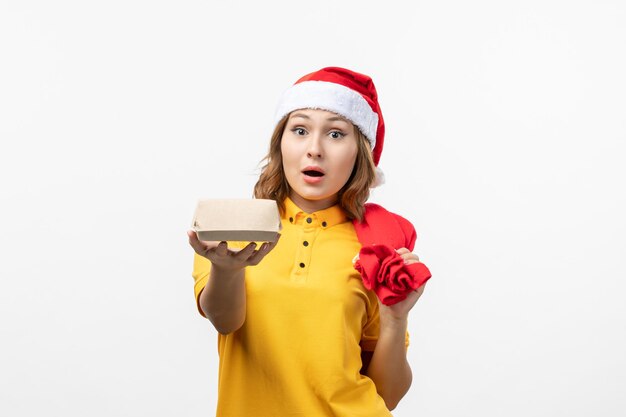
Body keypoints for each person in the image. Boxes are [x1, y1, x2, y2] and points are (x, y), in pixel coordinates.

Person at [187, 66, 430, 416]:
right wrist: (225, 270)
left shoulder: (378, 246)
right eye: (300, 129)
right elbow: (226, 321)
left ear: (360, 153)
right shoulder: (232, 230)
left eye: (335, 134)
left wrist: (395, 319)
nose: (314, 149)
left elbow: (388, 395)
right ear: (280, 143)